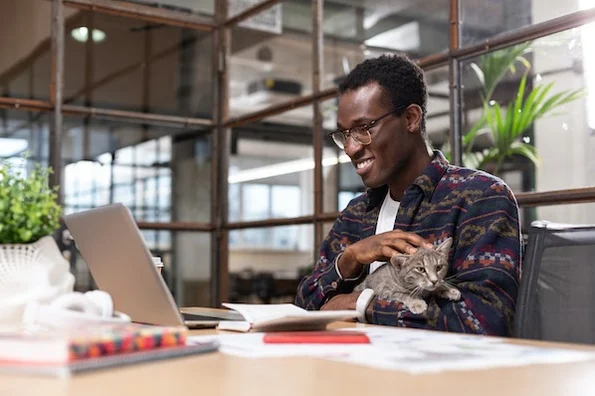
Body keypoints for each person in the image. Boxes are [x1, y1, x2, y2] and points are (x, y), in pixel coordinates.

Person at [295, 54, 521, 336]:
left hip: (437, 377)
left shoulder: (480, 198)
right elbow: (305, 309)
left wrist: (361, 304)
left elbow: (484, 320)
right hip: (350, 372)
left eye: (364, 129)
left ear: (411, 118)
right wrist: (349, 259)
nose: (350, 148)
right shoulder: (356, 214)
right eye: (345, 134)